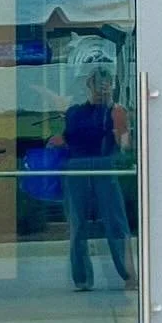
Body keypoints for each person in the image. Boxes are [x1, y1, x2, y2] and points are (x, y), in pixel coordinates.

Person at [50, 67, 134, 292]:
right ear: (89, 86)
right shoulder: (75, 112)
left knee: (112, 221)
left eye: (105, 85)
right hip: (83, 166)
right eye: (98, 84)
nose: (101, 89)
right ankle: (88, 278)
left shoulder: (113, 111)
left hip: (95, 164)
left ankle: (125, 275)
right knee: (83, 224)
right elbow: (67, 139)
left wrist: (122, 130)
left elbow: (124, 143)